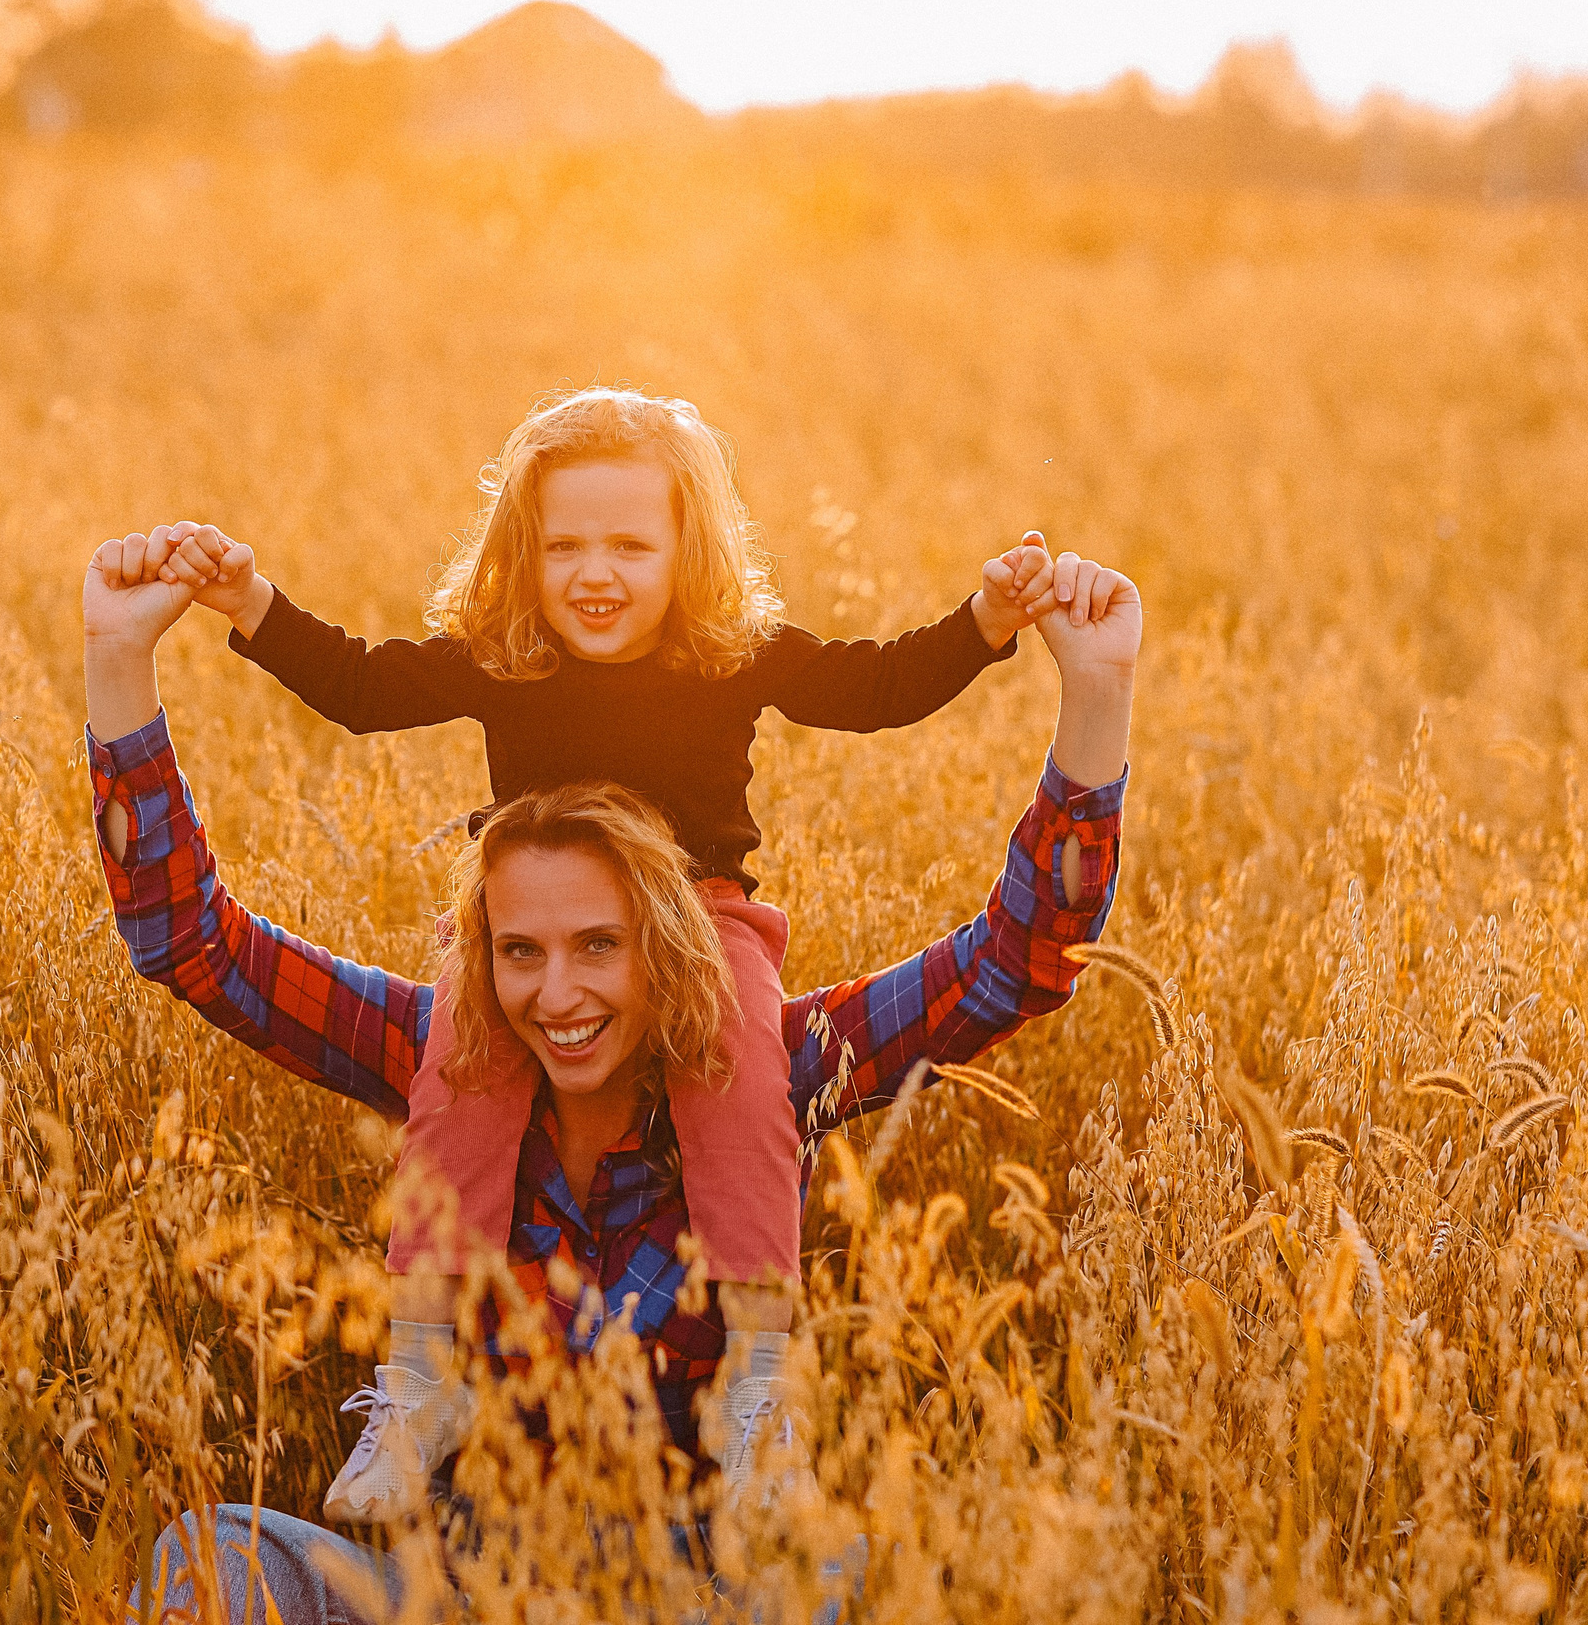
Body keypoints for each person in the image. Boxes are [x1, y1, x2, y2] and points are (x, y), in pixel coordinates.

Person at [83, 521, 1142, 1624]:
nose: (558, 995)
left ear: (670, 946)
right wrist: (118, 664)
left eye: (600, 945)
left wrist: (1096, 696)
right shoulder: (439, 1052)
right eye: (520, 952)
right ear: (483, 957)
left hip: (687, 1590)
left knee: (828, 1586)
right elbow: (191, 944)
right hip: (454, 1589)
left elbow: (1020, 961)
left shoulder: (771, 1065)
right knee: (221, 1559)